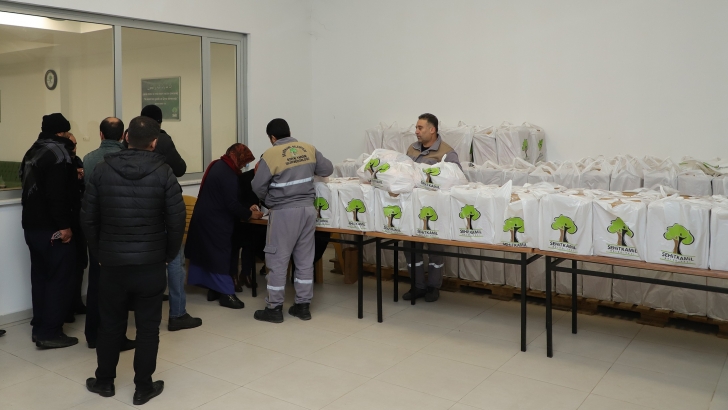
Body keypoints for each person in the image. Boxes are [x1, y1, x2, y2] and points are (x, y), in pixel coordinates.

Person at [82, 116, 185, 406]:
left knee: (110, 324)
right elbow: (176, 222)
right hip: (150, 264)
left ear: (126, 137)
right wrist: (167, 256)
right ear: (154, 142)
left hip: (112, 264)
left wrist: (100, 254)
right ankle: (143, 387)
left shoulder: (102, 170)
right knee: (148, 328)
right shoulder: (164, 173)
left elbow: (88, 218)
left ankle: (104, 382)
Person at [251, 118, 333, 323]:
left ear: (272, 137)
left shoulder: (270, 154)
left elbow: (257, 185)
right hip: (308, 211)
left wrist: (270, 201)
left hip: (284, 213)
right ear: (289, 132)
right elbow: (328, 169)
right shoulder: (309, 148)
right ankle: (303, 307)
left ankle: (274, 308)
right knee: (304, 260)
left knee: (277, 260)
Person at [139, 105, 200, 332]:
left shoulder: (130, 138)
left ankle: (145, 310)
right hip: (162, 208)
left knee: (145, 260)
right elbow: (180, 168)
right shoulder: (162, 139)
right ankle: (178, 314)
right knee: (174, 259)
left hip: (138, 210)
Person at [20, 113, 79, 349]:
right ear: (61, 132)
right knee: (58, 279)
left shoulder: (32, 151)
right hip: (53, 229)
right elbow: (57, 195)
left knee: (40, 277)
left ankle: (39, 327)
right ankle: (50, 332)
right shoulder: (59, 153)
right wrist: (64, 226)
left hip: (31, 227)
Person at [185, 143, 262, 308]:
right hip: (215, 221)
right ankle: (227, 294)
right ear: (237, 157)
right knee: (220, 256)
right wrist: (250, 214)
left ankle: (214, 290)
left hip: (205, 218)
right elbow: (231, 204)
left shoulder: (218, 165)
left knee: (210, 255)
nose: (243, 166)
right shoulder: (228, 174)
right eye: (244, 162)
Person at [81, 118, 135, 350]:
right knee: (120, 287)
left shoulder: (88, 159)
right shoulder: (128, 159)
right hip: (121, 230)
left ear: (101, 135)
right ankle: (116, 337)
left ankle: (93, 335)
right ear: (123, 135)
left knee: (96, 282)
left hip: (97, 229)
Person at [403, 113, 461, 303]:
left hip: (435, 210)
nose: (416, 131)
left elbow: (457, 180)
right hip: (412, 207)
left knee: (435, 249)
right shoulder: (412, 149)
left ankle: (434, 287)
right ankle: (417, 285)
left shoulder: (447, 153)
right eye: (416, 127)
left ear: (432, 129)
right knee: (410, 246)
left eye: (420, 128)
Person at [64, 133, 89, 324]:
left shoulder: (78, 160)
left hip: (80, 219)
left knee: (80, 262)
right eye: (71, 145)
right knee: (67, 267)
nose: (74, 148)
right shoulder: (61, 163)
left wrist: (81, 177)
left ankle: (77, 302)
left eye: (75, 144)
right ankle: (66, 309)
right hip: (67, 221)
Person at [230, 161, 267, 292]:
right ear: (256, 166)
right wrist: (249, 207)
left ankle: (246, 273)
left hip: (255, 220)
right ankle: (233, 275)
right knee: (235, 247)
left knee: (250, 246)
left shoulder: (267, 178)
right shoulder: (243, 178)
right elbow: (236, 199)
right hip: (240, 218)